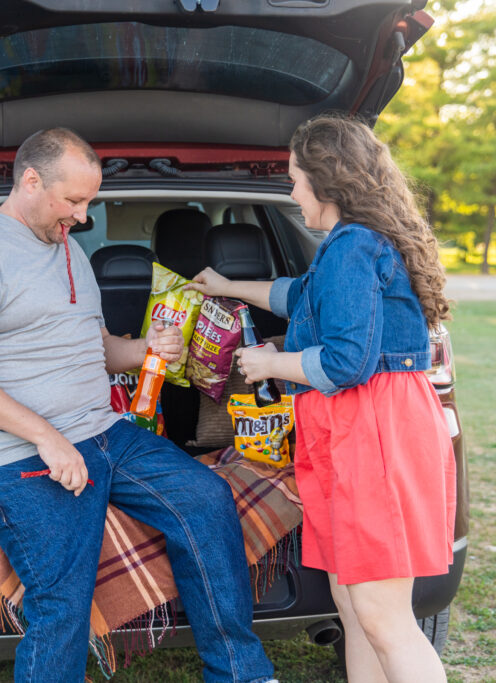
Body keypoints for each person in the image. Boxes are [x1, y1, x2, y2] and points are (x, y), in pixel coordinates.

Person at [0, 128, 276, 683]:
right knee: (63, 599)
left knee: (206, 499)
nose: (84, 216)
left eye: (89, 201)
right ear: (31, 180)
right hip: (11, 454)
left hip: (103, 432)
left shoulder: (69, 250)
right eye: (74, 201)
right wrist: (46, 436)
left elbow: (99, 346)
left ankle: (242, 673)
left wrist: (145, 351)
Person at [187, 114, 456, 683]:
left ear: (324, 181)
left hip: (373, 433)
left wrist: (268, 363)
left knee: (384, 619)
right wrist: (226, 285)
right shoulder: (344, 247)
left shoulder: (355, 245)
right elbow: (298, 298)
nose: (290, 190)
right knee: (355, 611)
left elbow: (345, 360)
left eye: (293, 178)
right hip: (352, 431)